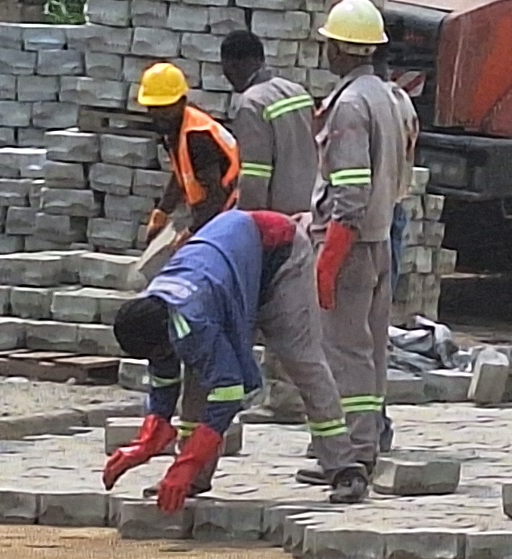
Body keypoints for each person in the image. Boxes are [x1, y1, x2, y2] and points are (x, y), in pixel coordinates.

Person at [103, 205, 364, 508]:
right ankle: (196, 477)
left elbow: (229, 392)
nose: (161, 357)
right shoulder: (155, 313)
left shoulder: (194, 318)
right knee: (199, 377)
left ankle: (345, 469)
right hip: (233, 264)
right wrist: (150, 433)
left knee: (301, 361)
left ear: (166, 331)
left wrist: (187, 462)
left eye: (161, 351)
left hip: (280, 254)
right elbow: (164, 374)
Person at [309, 0, 416, 463]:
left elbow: (350, 191)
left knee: (345, 350)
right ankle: (368, 442)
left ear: (344, 49)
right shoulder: (388, 97)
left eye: (330, 43)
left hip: (351, 244)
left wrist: (328, 258)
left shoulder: (351, 105)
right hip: (379, 240)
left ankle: (350, 452)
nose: (326, 51)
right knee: (371, 350)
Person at [132, 61, 243, 280]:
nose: (158, 115)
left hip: (231, 212)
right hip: (216, 211)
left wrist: (190, 233)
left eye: (165, 109)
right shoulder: (175, 130)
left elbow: (216, 199)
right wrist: (162, 212)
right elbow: (182, 172)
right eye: (154, 109)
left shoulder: (197, 137)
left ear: (182, 102)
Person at [220, 28, 319, 218]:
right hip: (310, 210)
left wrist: (247, 223)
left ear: (234, 65)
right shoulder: (297, 91)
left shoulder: (252, 104)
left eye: (227, 68)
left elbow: (255, 174)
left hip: (279, 217)